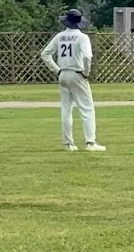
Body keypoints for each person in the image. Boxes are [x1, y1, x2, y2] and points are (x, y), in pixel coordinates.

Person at [40, 9, 105, 152]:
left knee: (66, 109)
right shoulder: (82, 37)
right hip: (77, 73)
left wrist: (57, 70)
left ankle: (69, 143)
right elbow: (87, 57)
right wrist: (86, 73)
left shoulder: (60, 36)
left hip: (63, 74)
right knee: (87, 108)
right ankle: (90, 142)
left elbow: (45, 54)